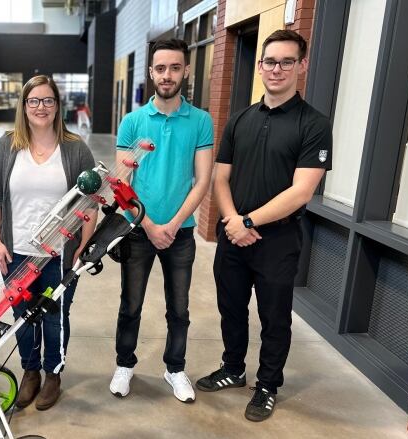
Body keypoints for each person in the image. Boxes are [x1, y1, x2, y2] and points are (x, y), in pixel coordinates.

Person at [196, 29, 332, 422]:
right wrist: (233, 222)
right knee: (231, 308)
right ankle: (234, 369)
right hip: (233, 235)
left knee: (275, 317)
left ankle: (268, 385)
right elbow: (221, 178)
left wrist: (250, 221)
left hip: (277, 239)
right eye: (270, 61)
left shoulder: (314, 125)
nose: (277, 69)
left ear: (301, 66)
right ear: (259, 67)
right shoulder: (239, 120)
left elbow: (302, 191)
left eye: (287, 61)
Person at [108, 38, 214, 403]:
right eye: (160, 68)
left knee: (179, 308)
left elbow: (202, 180)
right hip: (138, 230)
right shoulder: (133, 122)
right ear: (151, 72)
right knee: (131, 303)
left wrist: (173, 224)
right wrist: (150, 225)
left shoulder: (201, 121)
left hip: (181, 233)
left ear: (186, 70)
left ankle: (175, 368)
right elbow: (122, 182)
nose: (167, 75)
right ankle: (125, 363)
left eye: (174, 67)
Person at [0, 75, 97, 411]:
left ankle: (53, 375)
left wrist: (83, 245)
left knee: (54, 316)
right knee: (22, 315)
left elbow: (91, 202)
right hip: (16, 251)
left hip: (58, 255)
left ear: (58, 106)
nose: (41, 107)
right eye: (33, 101)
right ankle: (30, 372)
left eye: (48, 100)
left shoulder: (76, 148)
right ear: (24, 106)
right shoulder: (7, 145)